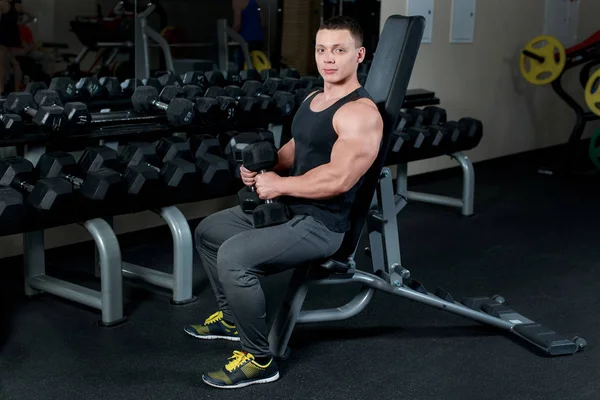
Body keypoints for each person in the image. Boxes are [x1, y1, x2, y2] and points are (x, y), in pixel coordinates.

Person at [184, 16, 383, 389]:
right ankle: (232, 319)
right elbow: (298, 149)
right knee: (210, 231)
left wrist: (280, 185)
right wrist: (267, 166)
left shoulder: (360, 114)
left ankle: (259, 360)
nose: (329, 58)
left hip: (322, 224)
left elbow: (339, 178)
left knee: (235, 257)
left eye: (339, 50)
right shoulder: (314, 99)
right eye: (322, 49)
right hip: (290, 208)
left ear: (359, 55)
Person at [0, 0, 32, 93]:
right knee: (15, 63)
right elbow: (32, 16)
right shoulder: (18, 6)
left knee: (2, 65)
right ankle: (17, 89)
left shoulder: (2, 4)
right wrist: (21, 24)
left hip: (3, 35)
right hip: (13, 35)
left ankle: (1, 89)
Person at [231, 0, 265, 70]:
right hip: (258, 39)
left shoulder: (237, 2)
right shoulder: (256, 2)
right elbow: (263, 23)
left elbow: (237, 24)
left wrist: (229, 35)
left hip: (245, 40)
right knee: (256, 65)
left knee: (242, 67)